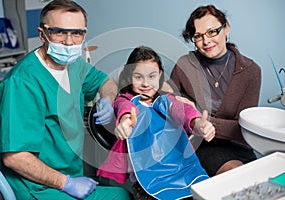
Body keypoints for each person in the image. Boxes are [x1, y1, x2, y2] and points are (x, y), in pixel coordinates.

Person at [0, 0, 131, 199]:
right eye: (59, 32)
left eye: (77, 33)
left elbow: (105, 81)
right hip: (37, 187)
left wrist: (108, 99)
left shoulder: (74, 64)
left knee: (121, 195)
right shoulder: (22, 82)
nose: (69, 42)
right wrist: (66, 183)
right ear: (43, 34)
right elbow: (15, 158)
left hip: (68, 173)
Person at [97, 46, 215, 200]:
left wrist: (199, 123)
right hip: (149, 176)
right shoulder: (126, 100)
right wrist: (125, 123)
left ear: (159, 75)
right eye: (138, 77)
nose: (146, 83)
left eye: (152, 76)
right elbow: (125, 110)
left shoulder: (167, 100)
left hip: (182, 169)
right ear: (129, 77)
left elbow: (182, 111)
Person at [169, 5, 261, 177]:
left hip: (238, 146)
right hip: (200, 145)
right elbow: (167, 104)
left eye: (212, 32)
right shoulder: (184, 65)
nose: (206, 41)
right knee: (235, 176)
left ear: (226, 28)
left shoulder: (251, 71)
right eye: (198, 36)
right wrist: (191, 120)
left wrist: (203, 121)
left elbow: (244, 129)